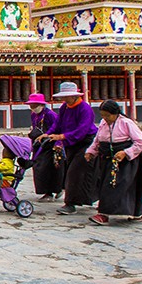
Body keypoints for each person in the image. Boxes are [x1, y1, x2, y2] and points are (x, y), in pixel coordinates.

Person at [84, 99, 142, 225]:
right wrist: (91, 151)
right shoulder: (103, 123)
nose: (105, 118)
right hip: (106, 159)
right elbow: (97, 140)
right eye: (102, 115)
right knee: (105, 185)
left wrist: (126, 152)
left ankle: (103, 214)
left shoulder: (126, 123)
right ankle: (140, 211)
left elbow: (139, 142)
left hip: (123, 162)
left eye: (107, 115)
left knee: (115, 186)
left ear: (116, 113)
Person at [42, 82, 98, 215]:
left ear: (74, 96)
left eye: (66, 96)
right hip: (70, 143)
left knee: (74, 172)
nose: (64, 99)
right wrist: (48, 133)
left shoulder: (85, 109)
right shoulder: (64, 107)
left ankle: (70, 203)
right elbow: (58, 123)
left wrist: (61, 136)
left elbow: (82, 130)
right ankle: (81, 199)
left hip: (85, 142)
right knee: (73, 171)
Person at [26, 92, 62, 199]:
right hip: (39, 144)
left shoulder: (50, 115)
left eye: (34, 105)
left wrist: (58, 143)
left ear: (41, 105)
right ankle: (45, 190)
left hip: (50, 144)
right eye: (31, 106)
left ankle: (52, 191)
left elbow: (58, 128)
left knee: (48, 168)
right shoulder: (34, 115)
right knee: (38, 167)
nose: (32, 108)